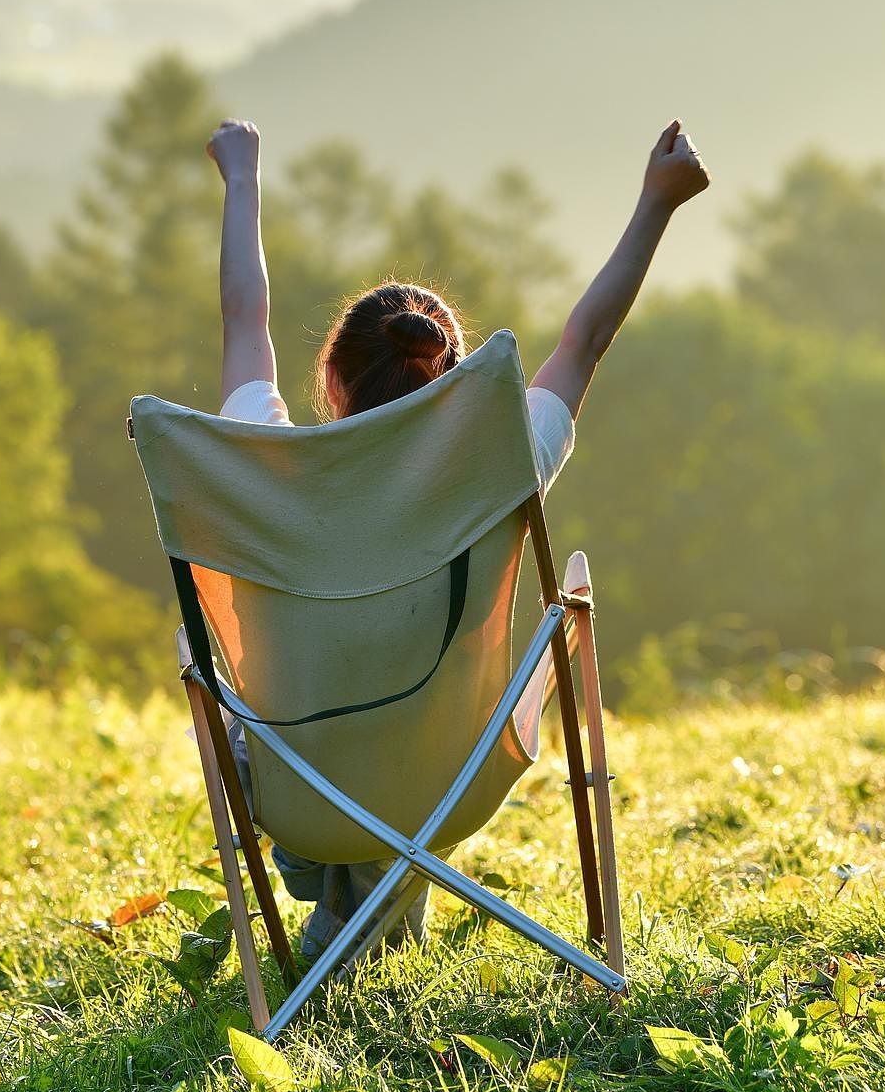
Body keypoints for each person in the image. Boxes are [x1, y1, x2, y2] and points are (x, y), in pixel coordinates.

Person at [204, 117, 709, 959]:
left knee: (299, 703)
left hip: (294, 792)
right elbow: (585, 338)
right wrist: (657, 205)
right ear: (454, 391)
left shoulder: (270, 468)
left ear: (330, 380)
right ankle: (372, 908)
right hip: (455, 779)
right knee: (409, 710)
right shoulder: (501, 461)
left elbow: (243, 324)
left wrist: (243, 179)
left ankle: (350, 914)